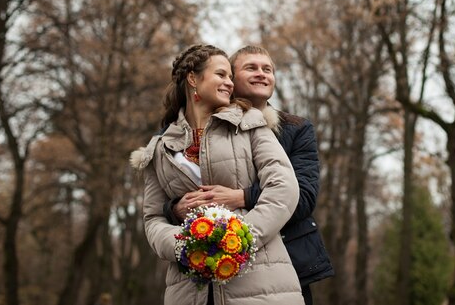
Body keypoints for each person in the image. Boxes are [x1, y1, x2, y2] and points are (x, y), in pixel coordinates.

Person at [130, 44, 304, 305]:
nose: (229, 83)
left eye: (230, 78)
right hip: (187, 290)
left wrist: (239, 237)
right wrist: (183, 245)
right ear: (193, 79)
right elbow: (153, 218)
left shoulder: (251, 124)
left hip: (261, 284)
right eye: (221, 75)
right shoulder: (160, 148)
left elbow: (284, 188)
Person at [165, 45, 334, 305]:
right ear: (231, 78)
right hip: (212, 266)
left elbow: (303, 197)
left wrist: (241, 197)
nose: (261, 74)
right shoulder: (198, 129)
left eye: (267, 69)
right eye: (251, 68)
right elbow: (177, 187)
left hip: (287, 262)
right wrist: (175, 208)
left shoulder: (296, 129)